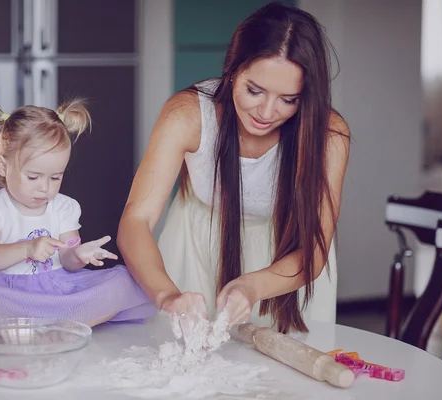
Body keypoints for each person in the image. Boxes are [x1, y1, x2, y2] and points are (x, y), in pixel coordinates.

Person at [117, 2, 350, 334]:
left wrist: (253, 287)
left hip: (286, 270)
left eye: (288, 99)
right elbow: (136, 221)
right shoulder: (188, 114)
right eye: (254, 90)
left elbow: (313, 251)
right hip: (196, 251)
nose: (266, 112)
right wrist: (168, 295)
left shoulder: (329, 135)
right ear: (232, 70)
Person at [0, 99, 156, 345]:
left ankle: (57, 328)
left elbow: (66, 261)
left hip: (58, 291)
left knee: (124, 279)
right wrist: (28, 248)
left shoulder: (65, 207)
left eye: (56, 177)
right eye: (33, 176)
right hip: (12, 295)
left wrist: (78, 255)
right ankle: (36, 328)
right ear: (3, 166)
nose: (45, 188)